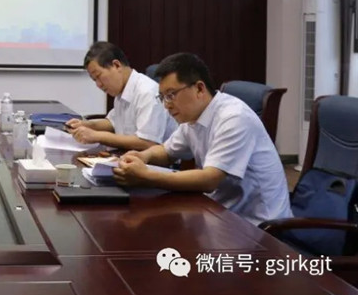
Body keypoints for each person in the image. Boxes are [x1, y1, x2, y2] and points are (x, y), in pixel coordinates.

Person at [112, 52, 292, 226]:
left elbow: (209, 179)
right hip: (222, 212)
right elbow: (167, 152)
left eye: (171, 95)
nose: (167, 105)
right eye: (163, 97)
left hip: (259, 225)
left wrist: (146, 176)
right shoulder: (192, 118)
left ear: (199, 88)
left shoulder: (234, 117)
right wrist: (144, 156)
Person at [66, 41, 177, 151]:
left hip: (156, 161)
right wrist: (86, 125)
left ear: (116, 65)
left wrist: (96, 136)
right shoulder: (122, 91)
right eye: (95, 80)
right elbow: (113, 123)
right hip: (129, 156)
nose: (98, 85)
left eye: (98, 76)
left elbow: (147, 142)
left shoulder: (147, 92)